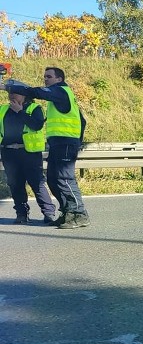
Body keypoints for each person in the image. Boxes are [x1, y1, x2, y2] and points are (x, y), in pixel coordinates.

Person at [2, 67, 90, 229]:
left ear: (59, 79)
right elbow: (82, 121)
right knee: (53, 179)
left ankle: (79, 214)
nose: (45, 79)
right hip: (57, 143)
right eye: (44, 76)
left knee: (64, 178)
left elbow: (39, 93)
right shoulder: (58, 97)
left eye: (49, 76)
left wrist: (7, 87)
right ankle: (67, 213)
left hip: (65, 143)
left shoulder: (61, 91)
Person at [0, 91, 57, 224]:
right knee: (15, 184)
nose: (12, 96)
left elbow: (37, 125)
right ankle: (21, 214)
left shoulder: (34, 108)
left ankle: (49, 213)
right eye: (10, 93)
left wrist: (20, 111)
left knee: (36, 183)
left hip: (28, 152)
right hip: (9, 152)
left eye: (16, 93)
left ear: (25, 96)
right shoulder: (3, 109)